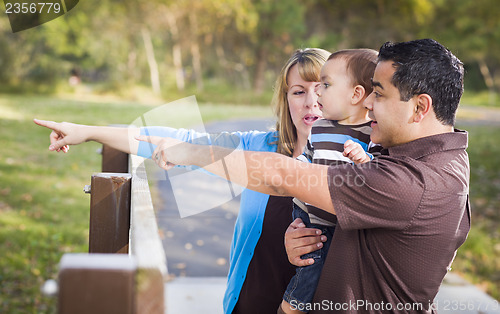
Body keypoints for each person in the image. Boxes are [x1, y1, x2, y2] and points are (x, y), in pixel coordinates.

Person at [138, 39, 469, 314]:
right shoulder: (421, 153)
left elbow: (282, 174)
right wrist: (301, 238)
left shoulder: (414, 182)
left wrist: (189, 153)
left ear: (420, 108)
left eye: (379, 94)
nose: (367, 101)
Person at [34, 48, 330, 314]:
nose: (311, 102)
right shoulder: (260, 147)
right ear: (286, 99)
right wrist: (86, 131)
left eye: (322, 89)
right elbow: (180, 140)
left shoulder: (355, 162)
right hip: (250, 303)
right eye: (299, 92)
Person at [281, 49, 378, 314]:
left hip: (342, 219)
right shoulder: (322, 127)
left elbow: (379, 173)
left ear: (356, 94)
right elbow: (307, 157)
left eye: (324, 86)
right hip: (310, 213)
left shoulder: (373, 132)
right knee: (311, 265)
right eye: (299, 91)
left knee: (330, 270)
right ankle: (292, 305)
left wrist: (364, 158)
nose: (316, 96)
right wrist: (293, 170)